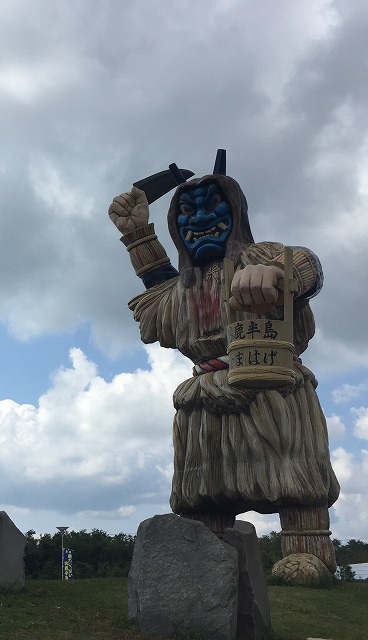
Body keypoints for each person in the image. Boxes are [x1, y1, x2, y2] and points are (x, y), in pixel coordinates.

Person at [108, 160, 339, 583]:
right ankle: (206, 554)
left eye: (211, 207)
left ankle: (308, 551)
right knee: (203, 490)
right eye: (186, 212)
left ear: (236, 212)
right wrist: (137, 233)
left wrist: (277, 273)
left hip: (269, 382)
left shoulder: (259, 257)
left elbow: (308, 266)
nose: (198, 219)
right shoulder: (186, 284)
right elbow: (160, 290)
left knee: (295, 476)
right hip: (204, 395)